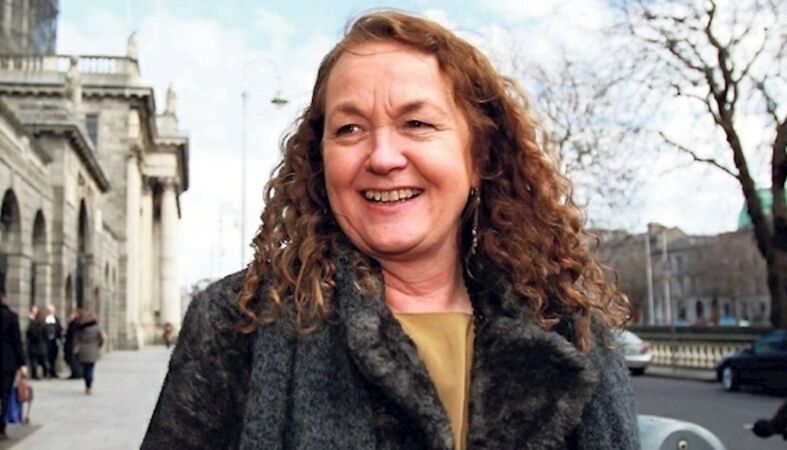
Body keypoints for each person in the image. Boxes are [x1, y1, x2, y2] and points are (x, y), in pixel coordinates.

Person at [143, 10, 638, 449]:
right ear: (320, 161)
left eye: (417, 123)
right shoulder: (237, 322)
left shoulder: (574, 330)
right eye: (349, 129)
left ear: (478, 156)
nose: (382, 157)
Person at [1, 286, 25, 441]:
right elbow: (17, 341)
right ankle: (1, 427)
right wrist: (22, 363)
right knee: (5, 395)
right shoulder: (11, 316)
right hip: (7, 362)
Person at [75, 312, 104, 395]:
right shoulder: (97, 329)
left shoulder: (81, 328)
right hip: (93, 350)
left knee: (85, 369)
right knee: (90, 369)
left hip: (83, 350)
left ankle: (86, 384)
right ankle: (89, 386)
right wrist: (98, 346)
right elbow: (102, 339)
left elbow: (77, 339)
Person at [25, 309, 49, 380]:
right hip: (41, 345)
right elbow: (46, 336)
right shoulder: (43, 325)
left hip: (33, 345)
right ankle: (46, 373)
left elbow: (28, 334)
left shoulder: (32, 324)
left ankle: (34, 374)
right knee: (43, 360)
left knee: (34, 361)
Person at [43, 304, 62, 378]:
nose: (50, 312)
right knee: (46, 357)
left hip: (54, 341)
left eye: (52, 311)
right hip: (46, 342)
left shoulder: (56, 320)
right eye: (49, 311)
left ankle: (53, 371)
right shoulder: (44, 320)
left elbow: (59, 329)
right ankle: (47, 372)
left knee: (54, 357)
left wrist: (59, 338)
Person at [64, 308, 83, 379]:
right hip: (71, 343)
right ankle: (75, 373)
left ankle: (76, 373)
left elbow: (74, 334)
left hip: (72, 343)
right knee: (71, 359)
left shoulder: (75, 323)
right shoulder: (76, 322)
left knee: (72, 359)